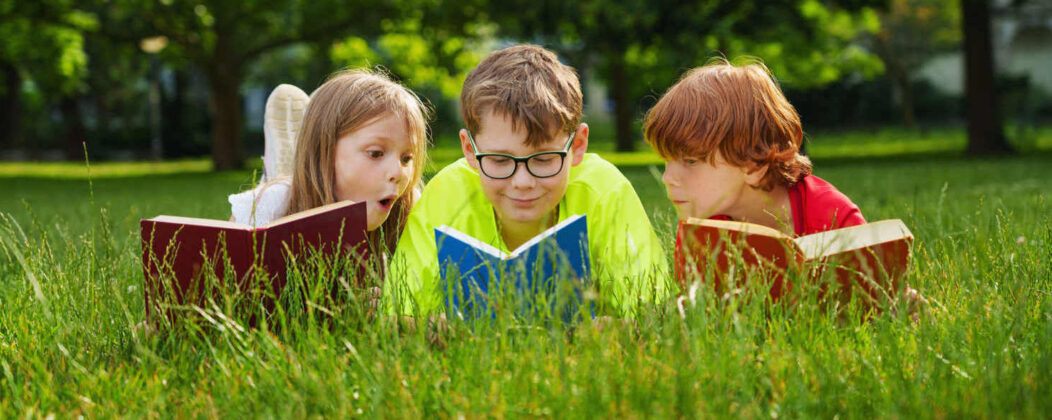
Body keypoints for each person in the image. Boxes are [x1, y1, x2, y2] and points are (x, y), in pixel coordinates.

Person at [381, 45, 668, 319]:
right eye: (499, 160)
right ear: (470, 150)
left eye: (544, 159)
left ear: (577, 146)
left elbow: (655, 312)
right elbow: (398, 315)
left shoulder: (604, 190)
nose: (522, 182)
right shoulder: (448, 192)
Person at [645, 58, 924, 314]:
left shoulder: (833, 213)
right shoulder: (701, 229)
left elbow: (872, 297)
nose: (669, 177)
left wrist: (901, 305)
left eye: (691, 161)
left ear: (753, 165)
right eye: (667, 161)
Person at [228, 69, 430, 254]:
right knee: (280, 190)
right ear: (324, 152)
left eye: (406, 158)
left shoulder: (409, 207)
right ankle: (281, 167)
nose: (397, 172)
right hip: (293, 194)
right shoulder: (267, 205)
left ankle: (305, 138)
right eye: (376, 153)